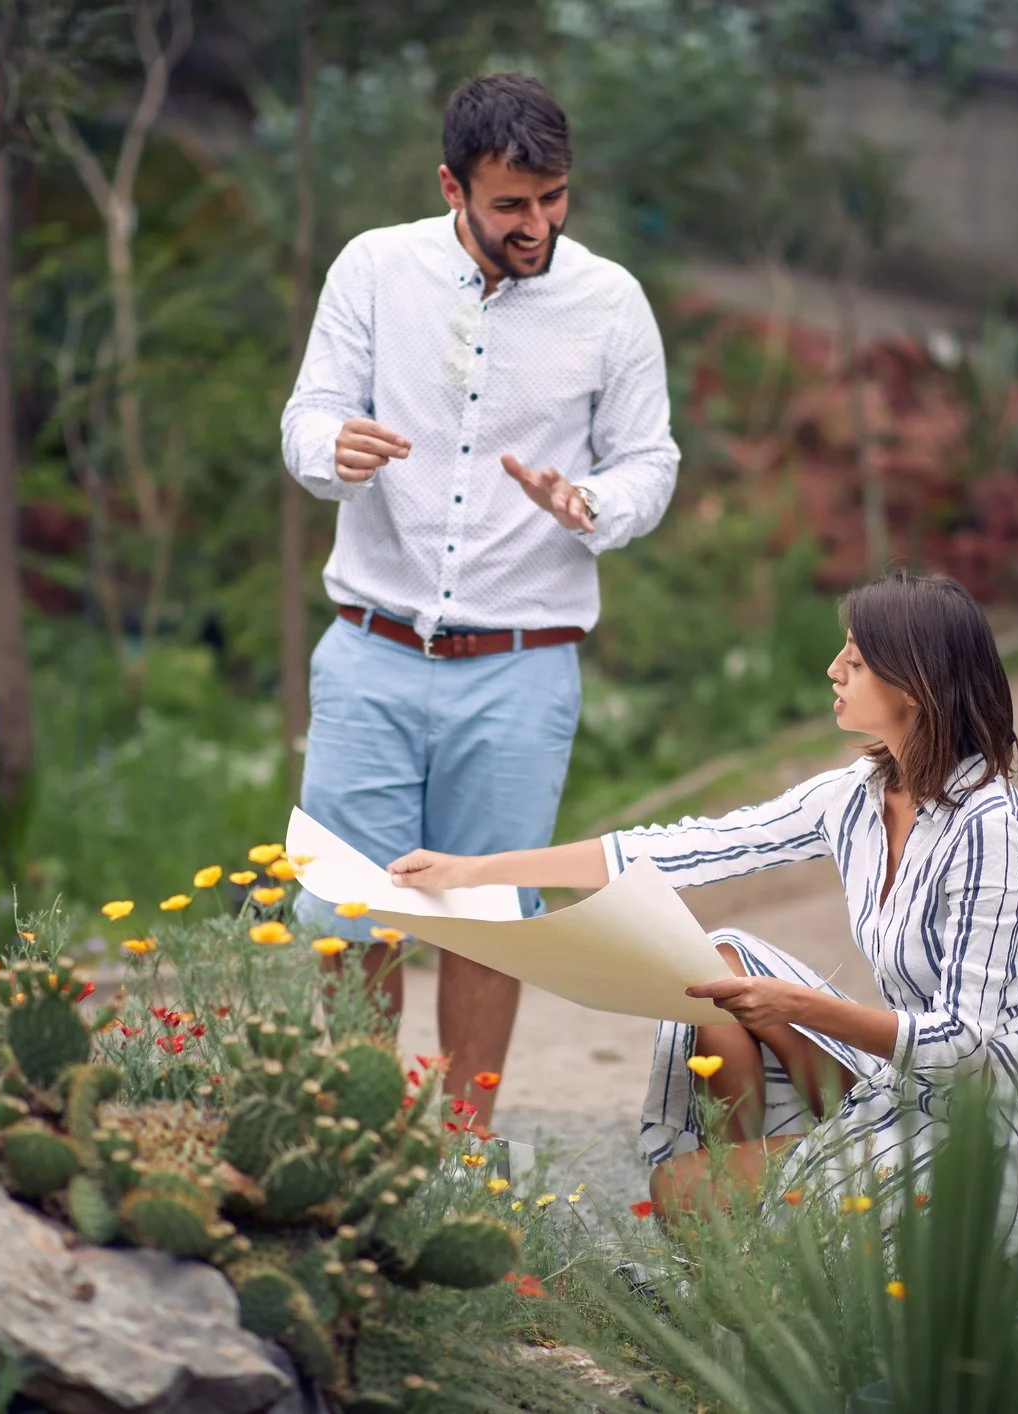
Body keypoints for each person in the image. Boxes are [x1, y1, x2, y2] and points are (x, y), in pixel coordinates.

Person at [387, 571, 1018, 1247]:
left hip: (981, 1136)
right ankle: (750, 1219)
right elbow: (685, 847)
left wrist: (795, 1007)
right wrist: (472, 870)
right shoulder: (858, 794)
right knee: (718, 961)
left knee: (681, 1188)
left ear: (911, 689)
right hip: (898, 1090)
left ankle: (769, 1225)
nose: (833, 670)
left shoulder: (987, 825)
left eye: (854, 661)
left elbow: (968, 1045)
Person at [280, 72, 681, 1123]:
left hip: (521, 665)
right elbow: (309, 414)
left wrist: (587, 500)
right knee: (349, 915)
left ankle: (462, 1156)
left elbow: (651, 460)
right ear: (452, 186)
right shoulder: (374, 268)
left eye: (554, 199)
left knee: (491, 915)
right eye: (511, 204)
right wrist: (335, 447)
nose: (537, 224)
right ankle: (354, 1137)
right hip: (369, 649)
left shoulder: (611, 303)